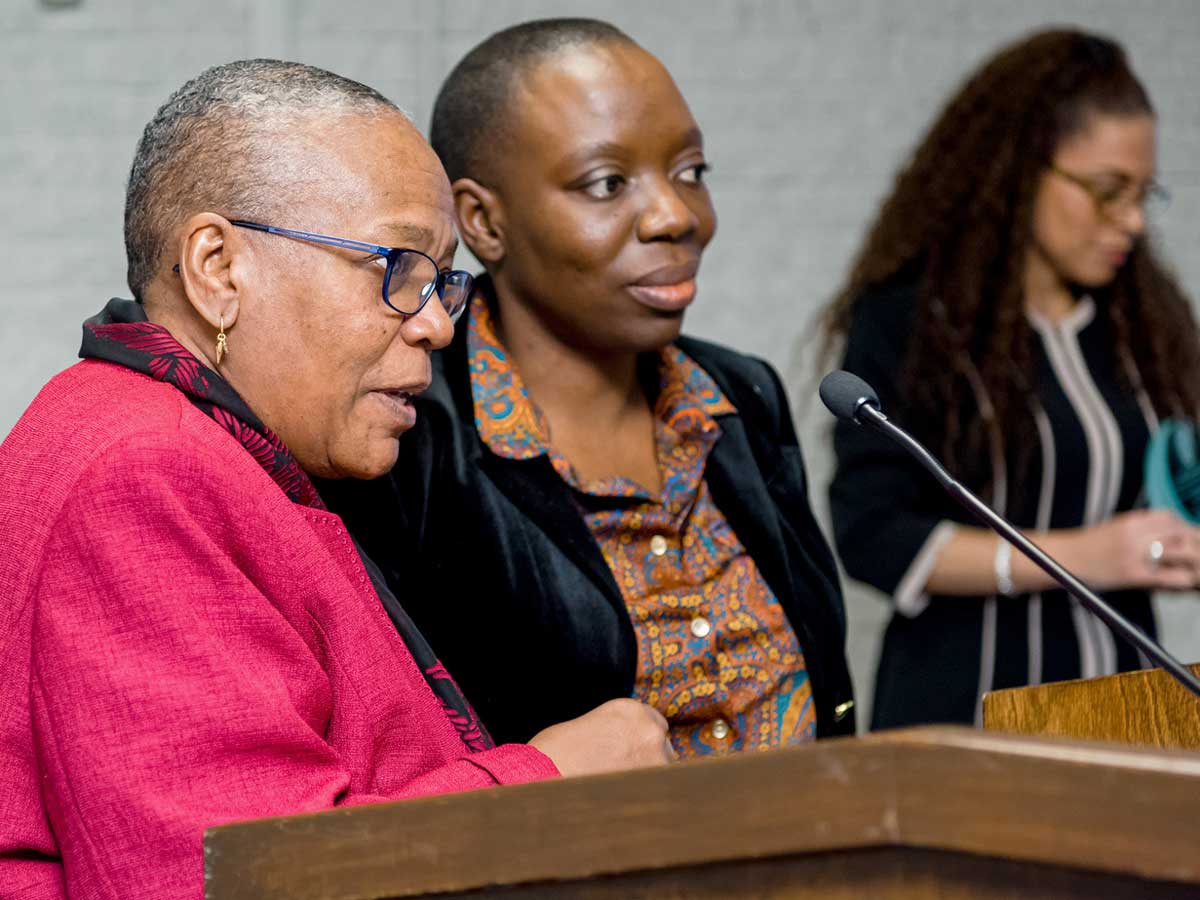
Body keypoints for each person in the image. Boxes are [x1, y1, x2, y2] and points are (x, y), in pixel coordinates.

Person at [0, 59, 674, 899]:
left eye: (444, 283)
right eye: (397, 268)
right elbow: (226, 875)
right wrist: (553, 782)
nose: (434, 324)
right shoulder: (142, 469)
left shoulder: (198, 440)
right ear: (218, 268)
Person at [320, 19, 856, 758]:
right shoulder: (410, 429)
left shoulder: (738, 394)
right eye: (607, 184)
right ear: (484, 221)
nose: (676, 216)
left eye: (691, 171)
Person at [821, 29, 1200, 729]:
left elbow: (1170, 489)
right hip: (966, 715)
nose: (1133, 221)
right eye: (1107, 191)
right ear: (1019, 172)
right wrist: (1089, 555)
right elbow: (875, 534)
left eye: (1145, 193)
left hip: (1128, 713)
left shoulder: (1141, 331)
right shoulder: (913, 323)